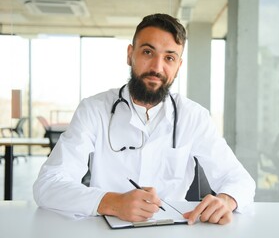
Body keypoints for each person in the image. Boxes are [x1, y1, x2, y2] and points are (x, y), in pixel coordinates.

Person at [33, 13, 255, 225]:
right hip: (103, 229)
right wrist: (112, 202)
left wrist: (226, 200)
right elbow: (48, 184)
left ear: (178, 66)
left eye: (169, 57)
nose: (157, 67)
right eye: (148, 52)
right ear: (130, 54)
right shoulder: (94, 110)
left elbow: (240, 180)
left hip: (172, 230)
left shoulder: (194, 117)